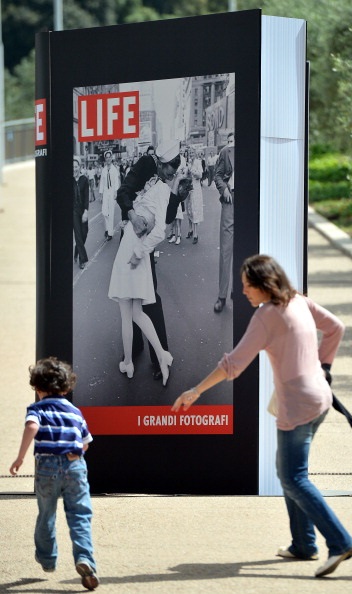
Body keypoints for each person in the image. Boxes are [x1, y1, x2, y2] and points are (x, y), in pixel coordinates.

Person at [172, 254, 352, 579]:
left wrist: (195, 391)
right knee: (288, 471)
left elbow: (233, 365)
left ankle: (340, 542)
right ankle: (303, 544)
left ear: (263, 285)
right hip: (321, 400)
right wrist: (323, 365)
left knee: (293, 477)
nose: (243, 291)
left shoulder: (266, 317)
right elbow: (336, 328)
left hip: (298, 406)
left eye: (247, 286)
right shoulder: (298, 300)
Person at [9, 357, 99, 591]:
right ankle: (85, 559)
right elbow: (86, 443)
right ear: (67, 387)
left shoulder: (37, 408)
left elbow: (31, 426)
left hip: (47, 467)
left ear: (37, 388)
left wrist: (20, 457)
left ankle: (48, 560)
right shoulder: (75, 412)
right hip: (75, 466)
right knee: (80, 515)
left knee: (46, 513)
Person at [116, 140, 190, 380]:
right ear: (159, 162)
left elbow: (165, 220)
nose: (171, 173)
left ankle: (160, 357)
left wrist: (178, 197)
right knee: (130, 298)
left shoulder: (168, 181)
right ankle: (134, 348)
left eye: (175, 169)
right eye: (169, 167)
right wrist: (132, 215)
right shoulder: (146, 164)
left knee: (149, 295)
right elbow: (123, 192)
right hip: (132, 233)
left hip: (145, 243)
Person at [213, 132, 235, 313]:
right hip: (230, 201)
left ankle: (240, 290)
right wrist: (224, 189)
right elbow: (217, 175)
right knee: (226, 250)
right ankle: (222, 296)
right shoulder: (225, 152)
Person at [99, 149, 120, 240]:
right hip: (105, 192)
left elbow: (116, 182)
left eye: (109, 157)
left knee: (110, 213)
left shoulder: (114, 169)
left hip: (112, 192)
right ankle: (107, 228)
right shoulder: (103, 170)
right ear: (105, 159)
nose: (108, 159)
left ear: (111, 158)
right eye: (106, 158)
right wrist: (101, 195)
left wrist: (115, 192)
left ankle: (110, 233)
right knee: (104, 212)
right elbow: (102, 183)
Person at [184, 147, 204, 244]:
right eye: (189, 153)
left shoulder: (197, 162)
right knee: (189, 210)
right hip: (188, 189)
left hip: (195, 189)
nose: (191, 154)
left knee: (195, 210)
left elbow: (200, 175)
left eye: (192, 152)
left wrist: (191, 170)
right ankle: (190, 230)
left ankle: (196, 234)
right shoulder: (188, 163)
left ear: (195, 153)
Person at [73, 156, 89, 270]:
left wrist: (86, 211)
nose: (74, 169)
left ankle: (76, 251)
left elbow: (87, 197)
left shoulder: (84, 179)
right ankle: (82, 260)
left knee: (84, 233)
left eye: (76, 166)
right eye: (72, 167)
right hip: (73, 211)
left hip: (83, 210)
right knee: (78, 235)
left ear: (80, 167)